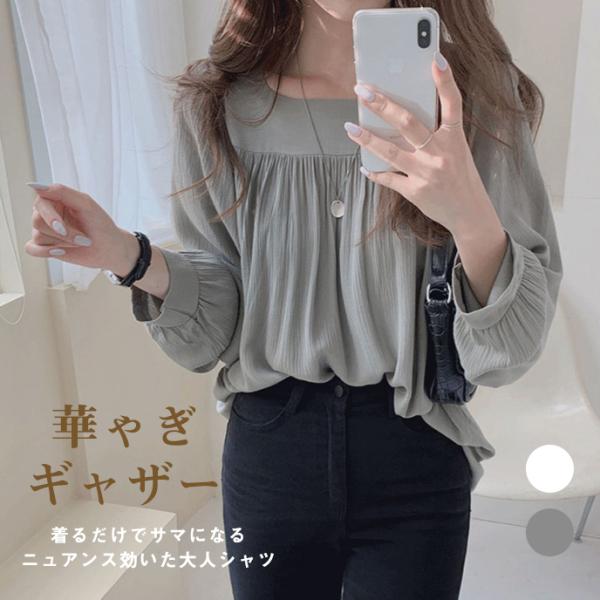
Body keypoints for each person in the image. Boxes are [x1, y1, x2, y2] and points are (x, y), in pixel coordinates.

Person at [25, 1, 563, 598]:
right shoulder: (218, 102)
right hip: (270, 453)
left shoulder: (475, 99)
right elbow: (219, 327)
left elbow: (511, 347)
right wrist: (128, 256)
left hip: (415, 449)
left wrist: (469, 214)